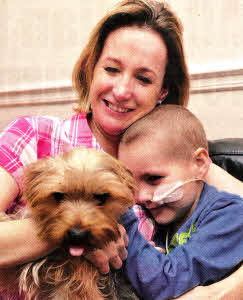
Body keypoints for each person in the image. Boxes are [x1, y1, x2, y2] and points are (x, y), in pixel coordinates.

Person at [0, 0, 242, 299]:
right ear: (91, 70)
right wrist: (78, 232)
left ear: (162, 91)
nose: (123, 90)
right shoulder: (34, 135)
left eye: (143, 78)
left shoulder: (172, 165)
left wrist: (226, 291)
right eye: (112, 69)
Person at [118, 104, 243, 300]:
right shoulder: (160, 219)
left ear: (199, 164)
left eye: (153, 178)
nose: (141, 197)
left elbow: (162, 283)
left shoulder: (231, 216)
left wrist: (118, 211)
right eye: (132, 185)